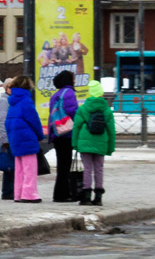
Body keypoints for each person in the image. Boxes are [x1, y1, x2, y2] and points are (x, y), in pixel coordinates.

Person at [73, 79, 115, 207]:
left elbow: (76, 127)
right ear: (101, 94)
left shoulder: (83, 109)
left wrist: (75, 144)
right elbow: (111, 130)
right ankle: (98, 197)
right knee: (99, 169)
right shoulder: (107, 110)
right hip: (101, 143)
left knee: (87, 169)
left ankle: (86, 197)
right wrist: (110, 147)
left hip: (84, 143)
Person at [6, 75, 45, 203]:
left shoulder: (12, 102)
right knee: (30, 168)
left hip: (15, 138)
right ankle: (29, 194)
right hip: (27, 138)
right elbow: (34, 120)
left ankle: (18, 194)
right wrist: (40, 136)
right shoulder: (26, 101)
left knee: (19, 169)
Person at [47, 69, 80, 203]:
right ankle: (62, 194)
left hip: (57, 132)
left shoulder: (56, 94)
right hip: (66, 133)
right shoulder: (69, 93)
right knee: (65, 165)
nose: (74, 81)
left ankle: (60, 193)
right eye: (73, 78)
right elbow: (73, 111)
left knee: (62, 164)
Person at [0, 78, 15, 201]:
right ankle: (7, 192)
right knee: (8, 166)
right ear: (6, 88)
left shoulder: (9, 100)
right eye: (11, 87)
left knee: (11, 166)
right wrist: (5, 140)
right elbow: (1, 121)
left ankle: (10, 191)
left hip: (11, 138)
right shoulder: (4, 101)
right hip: (6, 139)